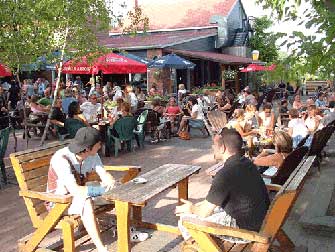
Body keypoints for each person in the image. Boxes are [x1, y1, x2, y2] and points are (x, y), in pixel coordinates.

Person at [176, 128, 270, 243]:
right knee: (205, 207)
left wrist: (191, 208)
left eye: (214, 145)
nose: (212, 148)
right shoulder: (246, 163)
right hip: (260, 219)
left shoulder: (225, 173)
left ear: (223, 148)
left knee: (185, 220)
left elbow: (203, 212)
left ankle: (199, 247)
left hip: (246, 230)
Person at [46, 127, 115, 252]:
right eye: (98, 144)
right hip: (59, 201)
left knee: (119, 192)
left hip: (78, 194)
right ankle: (100, 247)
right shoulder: (61, 159)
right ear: (88, 148)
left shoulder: (92, 155)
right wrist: (102, 191)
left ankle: (129, 229)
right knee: (86, 201)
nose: (100, 146)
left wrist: (110, 181)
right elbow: (75, 190)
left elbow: (103, 173)